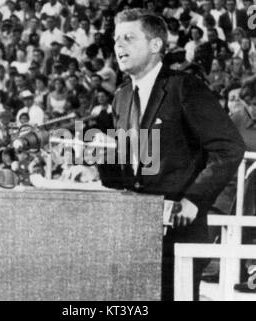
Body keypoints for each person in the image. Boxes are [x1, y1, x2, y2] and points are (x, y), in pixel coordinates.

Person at [98, 8, 245, 301]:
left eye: (128, 37)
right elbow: (127, 171)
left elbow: (229, 148)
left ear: (155, 45)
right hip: (134, 234)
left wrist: (194, 199)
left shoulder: (185, 87)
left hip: (179, 235)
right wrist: (101, 157)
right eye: (116, 39)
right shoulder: (122, 96)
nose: (118, 46)